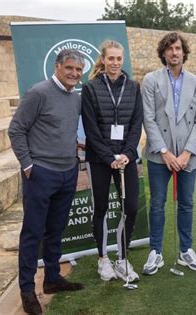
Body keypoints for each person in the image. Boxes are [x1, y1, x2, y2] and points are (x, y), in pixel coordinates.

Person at [8, 49, 85, 315]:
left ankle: (52, 279)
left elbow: (64, 131)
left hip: (67, 173)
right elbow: (16, 129)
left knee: (56, 229)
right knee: (32, 233)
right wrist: (28, 166)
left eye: (79, 70)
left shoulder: (75, 99)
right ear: (57, 67)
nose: (74, 74)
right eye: (70, 68)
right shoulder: (38, 93)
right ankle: (27, 290)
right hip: (40, 174)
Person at [141, 32, 196, 275]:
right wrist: (165, 152)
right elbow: (148, 118)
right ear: (163, 53)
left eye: (178, 48)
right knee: (157, 204)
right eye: (169, 48)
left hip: (187, 157)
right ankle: (156, 252)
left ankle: (185, 251)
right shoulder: (150, 80)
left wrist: (186, 153)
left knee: (187, 204)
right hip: (160, 155)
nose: (174, 52)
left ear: (184, 52)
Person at [81, 40, 143, 283]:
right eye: (111, 58)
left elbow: (137, 123)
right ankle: (103, 258)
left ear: (122, 59)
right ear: (103, 60)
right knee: (101, 209)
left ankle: (122, 258)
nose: (115, 63)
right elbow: (90, 128)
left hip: (126, 158)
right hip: (99, 159)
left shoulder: (134, 87)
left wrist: (127, 153)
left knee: (130, 208)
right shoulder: (91, 88)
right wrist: (109, 158)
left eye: (119, 58)